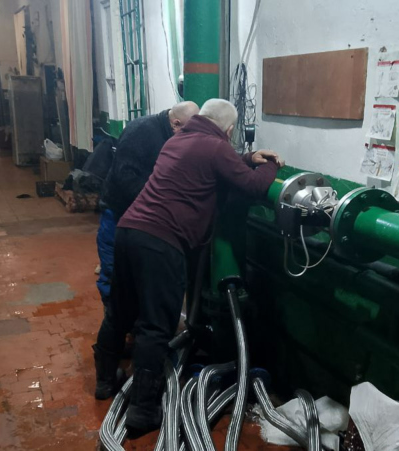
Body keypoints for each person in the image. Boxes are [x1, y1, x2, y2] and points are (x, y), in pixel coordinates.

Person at [99, 98, 284, 433]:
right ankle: (143, 411)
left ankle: (104, 381)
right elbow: (254, 186)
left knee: (120, 311)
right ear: (229, 129)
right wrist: (270, 164)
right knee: (156, 326)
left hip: (128, 230)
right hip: (161, 241)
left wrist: (245, 159)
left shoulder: (177, 140)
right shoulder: (216, 146)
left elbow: (207, 164)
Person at [93, 101, 199, 400]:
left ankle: (123, 359)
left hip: (138, 227)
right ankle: (114, 381)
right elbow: (126, 179)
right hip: (121, 220)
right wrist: (162, 210)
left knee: (135, 304)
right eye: (188, 131)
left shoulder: (175, 135)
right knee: (120, 295)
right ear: (176, 124)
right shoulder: (141, 132)